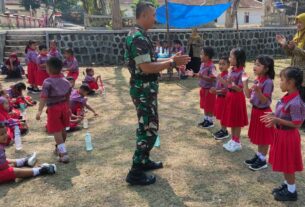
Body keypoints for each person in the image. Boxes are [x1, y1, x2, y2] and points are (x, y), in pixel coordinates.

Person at [124, 2, 190, 186]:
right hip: (143, 89)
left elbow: (149, 61)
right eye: (153, 15)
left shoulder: (139, 35)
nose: (155, 18)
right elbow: (145, 67)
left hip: (145, 89)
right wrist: (172, 63)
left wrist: (171, 59)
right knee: (150, 129)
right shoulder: (138, 37)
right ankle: (135, 172)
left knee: (145, 126)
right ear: (144, 16)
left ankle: (144, 161)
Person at [261, 67, 305, 202]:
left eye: (282, 80)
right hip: (281, 135)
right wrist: (275, 115)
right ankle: (287, 185)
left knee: (288, 165)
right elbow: (286, 115)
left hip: (289, 137)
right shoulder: (287, 97)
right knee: (285, 164)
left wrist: (277, 120)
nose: (279, 83)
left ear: (290, 82)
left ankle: (292, 192)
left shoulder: (296, 102)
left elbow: (297, 124)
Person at [36, 57, 71, 163]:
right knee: (63, 129)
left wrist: (39, 110)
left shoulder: (47, 82)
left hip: (53, 108)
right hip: (64, 106)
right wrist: (68, 108)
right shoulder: (66, 81)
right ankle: (59, 148)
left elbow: (43, 97)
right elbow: (68, 96)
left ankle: (63, 154)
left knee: (56, 131)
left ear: (49, 69)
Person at [243, 55, 275, 171]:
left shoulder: (268, 82)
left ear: (266, 68)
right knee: (259, 136)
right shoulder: (258, 80)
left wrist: (258, 91)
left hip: (264, 113)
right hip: (256, 111)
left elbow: (265, 100)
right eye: (255, 64)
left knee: (264, 138)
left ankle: (262, 160)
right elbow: (247, 95)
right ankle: (259, 155)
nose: (255, 67)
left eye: (258, 65)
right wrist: (245, 83)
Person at [221, 48, 248, 152]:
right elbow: (228, 84)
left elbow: (240, 88)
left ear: (238, 59)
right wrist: (225, 81)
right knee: (232, 119)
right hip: (230, 96)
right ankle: (233, 140)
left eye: (231, 57)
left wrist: (231, 84)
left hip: (237, 98)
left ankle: (237, 142)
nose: (229, 58)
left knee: (237, 120)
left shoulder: (242, 72)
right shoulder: (232, 70)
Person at [187, 47, 216, 128]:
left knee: (209, 106)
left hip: (210, 90)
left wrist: (201, 76)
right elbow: (199, 75)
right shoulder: (202, 64)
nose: (200, 55)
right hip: (203, 89)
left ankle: (210, 121)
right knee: (205, 105)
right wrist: (193, 74)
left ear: (207, 56)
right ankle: (206, 120)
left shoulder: (212, 66)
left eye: (202, 54)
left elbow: (212, 78)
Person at [276, 13, 305, 86]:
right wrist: (285, 45)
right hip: (295, 71)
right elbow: (291, 54)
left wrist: (294, 48)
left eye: (300, 22)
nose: (298, 24)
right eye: (297, 22)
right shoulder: (297, 35)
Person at [210, 56, 230, 140]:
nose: (221, 66)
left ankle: (224, 131)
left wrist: (216, 91)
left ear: (228, 65)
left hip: (224, 99)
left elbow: (226, 89)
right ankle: (222, 129)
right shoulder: (220, 75)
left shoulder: (227, 76)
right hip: (219, 98)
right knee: (221, 115)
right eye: (220, 64)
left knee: (224, 115)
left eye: (223, 64)